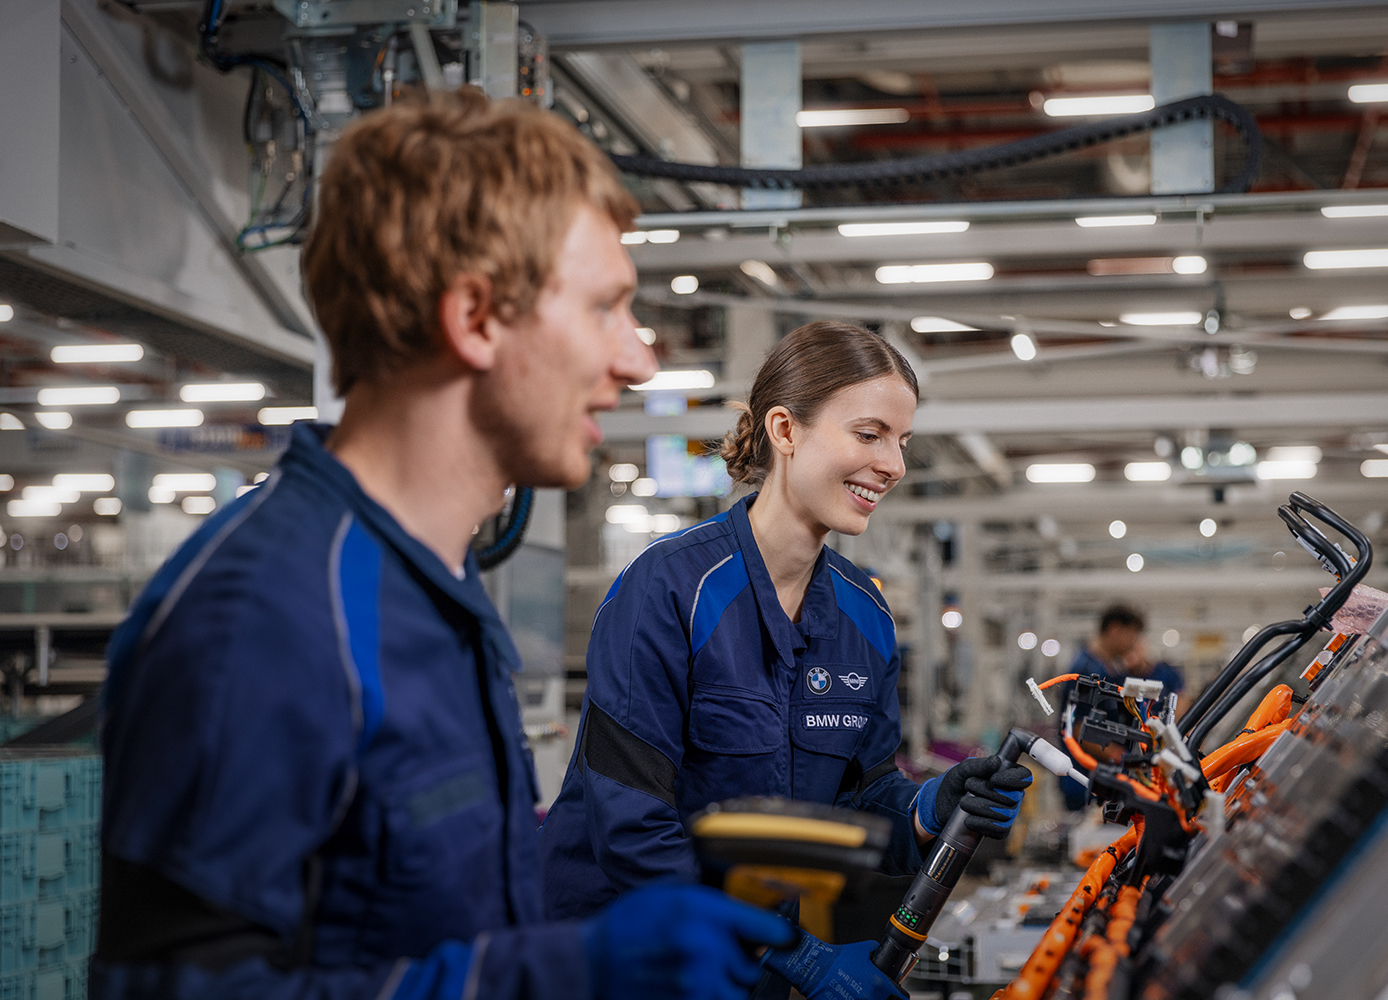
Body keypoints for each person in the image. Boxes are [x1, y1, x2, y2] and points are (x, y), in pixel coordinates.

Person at [91, 89, 796, 1000]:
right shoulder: (265, 617)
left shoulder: (438, 591)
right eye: (604, 308)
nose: (639, 361)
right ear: (474, 320)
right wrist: (563, 971)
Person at [538, 321, 1034, 998]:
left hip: (751, 973)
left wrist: (927, 806)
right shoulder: (670, 590)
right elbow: (632, 831)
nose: (894, 464)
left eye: (902, 441)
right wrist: (797, 956)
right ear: (785, 430)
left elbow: (856, 805)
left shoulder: (866, 616)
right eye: (870, 434)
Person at [1058, 604, 1185, 809]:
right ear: (1115, 629)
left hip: (1104, 779)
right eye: (1132, 636)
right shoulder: (1086, 670)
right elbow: (1080, 729)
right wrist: (1128, 760)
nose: (1133, 643)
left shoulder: (1108, 670)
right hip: (1086, 782)